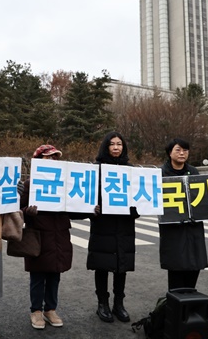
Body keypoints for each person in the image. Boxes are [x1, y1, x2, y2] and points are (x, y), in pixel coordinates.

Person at [87, 132, 139, 323]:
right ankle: (102, 304)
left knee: (121, 266)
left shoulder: (131, 169)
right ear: (105, 147)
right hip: (103, 224)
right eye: (112, 144)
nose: (116, 147)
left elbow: (139, 196)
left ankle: (119, 304)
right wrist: (93, 209)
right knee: (102, 265)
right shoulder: (96, 169)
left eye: (120, 144)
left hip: (124, 224)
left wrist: (137, 209)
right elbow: (87, 195)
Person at [20, 145, 73, 330]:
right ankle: (36, 311)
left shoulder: (65, 184)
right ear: (38, 160)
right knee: (37, 276)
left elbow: (74, 208)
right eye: (47, 157)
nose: (51, 161)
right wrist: (28, 212)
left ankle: (50, 309)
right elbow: (19, 210)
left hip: (59, 236)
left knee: (54, 275)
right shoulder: (30, 184)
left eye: (55, 158)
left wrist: (91, 211)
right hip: (39, 236)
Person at [158, 138, 208, 291]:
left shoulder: (194, 172)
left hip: (193, 227)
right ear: (169, 153)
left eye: (185, 150)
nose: (182, 153)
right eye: (178, 150)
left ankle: (189, 302)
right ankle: (176, 304)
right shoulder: (161, 173)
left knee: (194, 264)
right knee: (176, 267)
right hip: (172, 228)